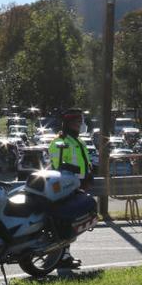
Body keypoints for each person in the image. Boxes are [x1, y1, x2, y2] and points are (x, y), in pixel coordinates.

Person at [48, 111, 93, 269]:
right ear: (68, 124)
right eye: (76, 122)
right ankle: (61, 256)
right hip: (65, 187)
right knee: (65, 221)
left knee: (73, 221)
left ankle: (63, 255)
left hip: (78, 184)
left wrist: (88, 175)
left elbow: (84, 161)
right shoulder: (59, 141)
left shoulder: (78, 141)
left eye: (80, 122)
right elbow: (57, 165)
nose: (79, 125)